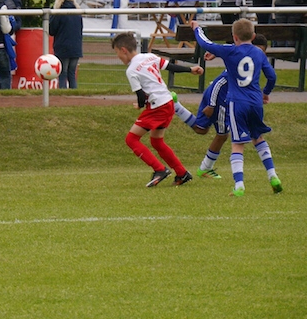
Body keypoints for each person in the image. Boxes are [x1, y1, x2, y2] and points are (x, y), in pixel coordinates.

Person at [193, 19, 282, 197]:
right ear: (254, 36)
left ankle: (239, 185)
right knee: (258, 138)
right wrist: (265, 93)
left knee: (238, 143)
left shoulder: (230, 51)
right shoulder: (259, 53)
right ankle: (273, 176)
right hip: (255, 102)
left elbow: (205, 43)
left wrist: (197, 29)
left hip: (237, 102)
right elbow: (272, 76)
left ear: (234, 37)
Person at [111, 32, 203, 187]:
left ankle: (159, 169)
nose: (118, 57)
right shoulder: (149, 56)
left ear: (123, 50)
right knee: (156, 141)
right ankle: (182, 173)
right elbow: (170, 67)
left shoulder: (131, 70)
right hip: (168, 103)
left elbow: (141, 96)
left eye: (117, 53)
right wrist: (190, 69)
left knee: (131, 139)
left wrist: (139, 105)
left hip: (158, 107)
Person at [172, 34, 269, 181]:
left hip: (218, 97)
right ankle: (205, 168)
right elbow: (219, 83)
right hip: (219, 99)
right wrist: (211, 105)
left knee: (201, 129)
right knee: (222, 135)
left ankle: (176, 106)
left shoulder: (247, 61)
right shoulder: (239, 66)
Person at [49, 0, 83, 89]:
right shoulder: (77, 13)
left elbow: (51, 30)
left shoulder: (58, 13)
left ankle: (63, 94)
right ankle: (74, 94)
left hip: (62, 46)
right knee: (71, 73)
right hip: (76, 47)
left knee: (62, 73)